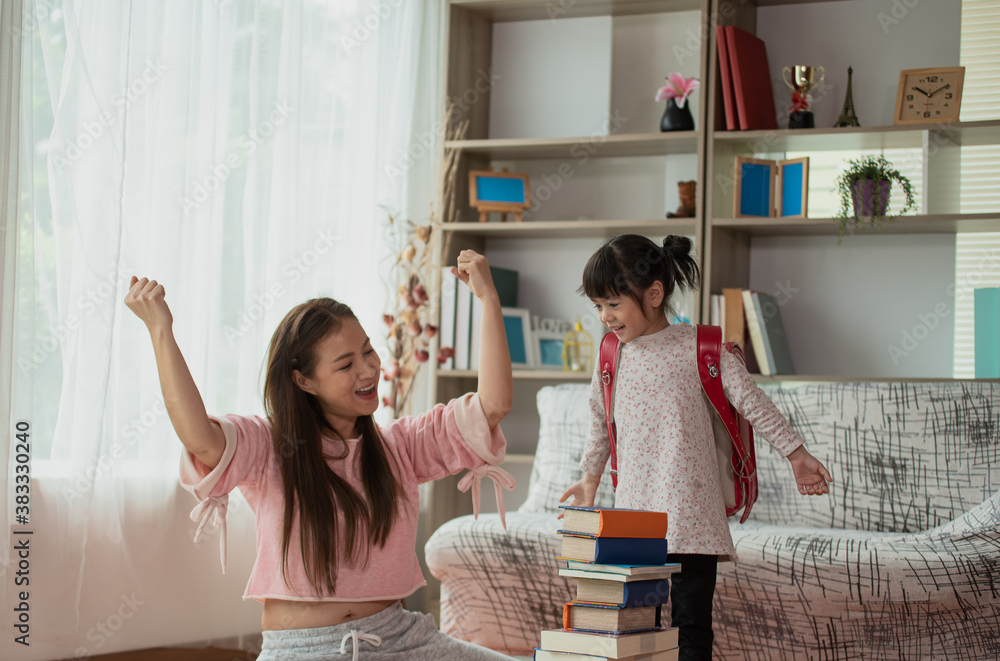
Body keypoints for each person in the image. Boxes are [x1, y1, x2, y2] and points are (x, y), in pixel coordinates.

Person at [124, 249, 516, 661]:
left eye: (367, 351)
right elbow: (200, 439)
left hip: (402, 638)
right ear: (304, 381)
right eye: (346, 365)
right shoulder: (269, 447)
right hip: (303, 650)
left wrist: (489, 299)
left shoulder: (401, 445)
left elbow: (492, 406)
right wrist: (160, 331)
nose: (368, 370)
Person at [559, 234, 832, 661]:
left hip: (692, 516)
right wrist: (589, 479)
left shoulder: (702, 349)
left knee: (691, 629)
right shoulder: (612, 354)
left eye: (613, 304)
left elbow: (754, 404)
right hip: (635, 517)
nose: (604, 317)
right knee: (634, 626)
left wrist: (796, 455)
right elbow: (600, 418)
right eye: (597, 306)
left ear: (654, 294)